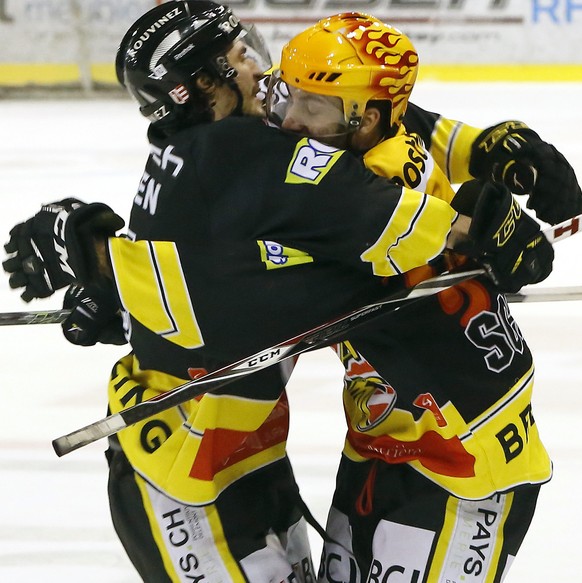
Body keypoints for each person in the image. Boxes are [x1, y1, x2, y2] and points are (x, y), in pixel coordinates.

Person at [1, 3, 486, 582]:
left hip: (239, 457)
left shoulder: (200, 152)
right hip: (188, 477)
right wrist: (479, 230)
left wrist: (106, 274)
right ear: (204, 83)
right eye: (241, 57)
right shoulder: (241, 157)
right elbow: (378, 221)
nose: (262, 69)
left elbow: (215, 283)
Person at [266, 13, 557, 582]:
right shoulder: (384, 139)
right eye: (290, 96)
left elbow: (270, 262)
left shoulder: (367, 193)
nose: (291, 119)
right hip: (381, 436)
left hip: (464, 460)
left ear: (367, 118)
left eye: (314, 106)